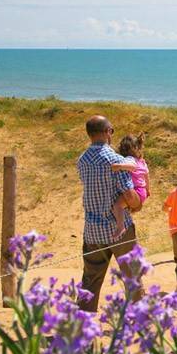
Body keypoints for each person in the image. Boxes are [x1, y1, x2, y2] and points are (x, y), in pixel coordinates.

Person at [77, 115, 142, 312]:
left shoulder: (82, 160)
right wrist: (138, 203)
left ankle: (81, 325)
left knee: (90, 279)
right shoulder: (115, 160)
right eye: (111, 130)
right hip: (118, 229)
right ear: (107, 132)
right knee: (132, 277)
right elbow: (129, 195)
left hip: (92, 229)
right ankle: (138, 321)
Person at [110, 134, 150, 239]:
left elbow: (132, 167)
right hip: (142, 191)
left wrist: (119, 166)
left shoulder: (129, 159)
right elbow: (146, 177)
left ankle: (120, 226)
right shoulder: (142, 162)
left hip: (135, 190)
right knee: (124, 206)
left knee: (117, 206)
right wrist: (148, 190)